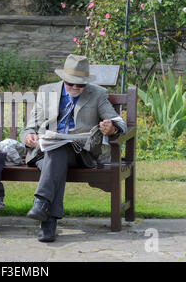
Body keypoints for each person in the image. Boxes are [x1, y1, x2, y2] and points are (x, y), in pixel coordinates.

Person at [20, 54, 127, 242]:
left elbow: (119, 122)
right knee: (55, 154)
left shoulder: (97, 94)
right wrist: (28, 137)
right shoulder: (46, 92)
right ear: (64, 78)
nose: (76, 88)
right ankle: (48, 220)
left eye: (81, 84)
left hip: (80, 153)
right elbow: (30, 126)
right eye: (71, 84)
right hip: (45, 151)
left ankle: (42, 204)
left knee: (58, 151)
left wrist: (113, 127)